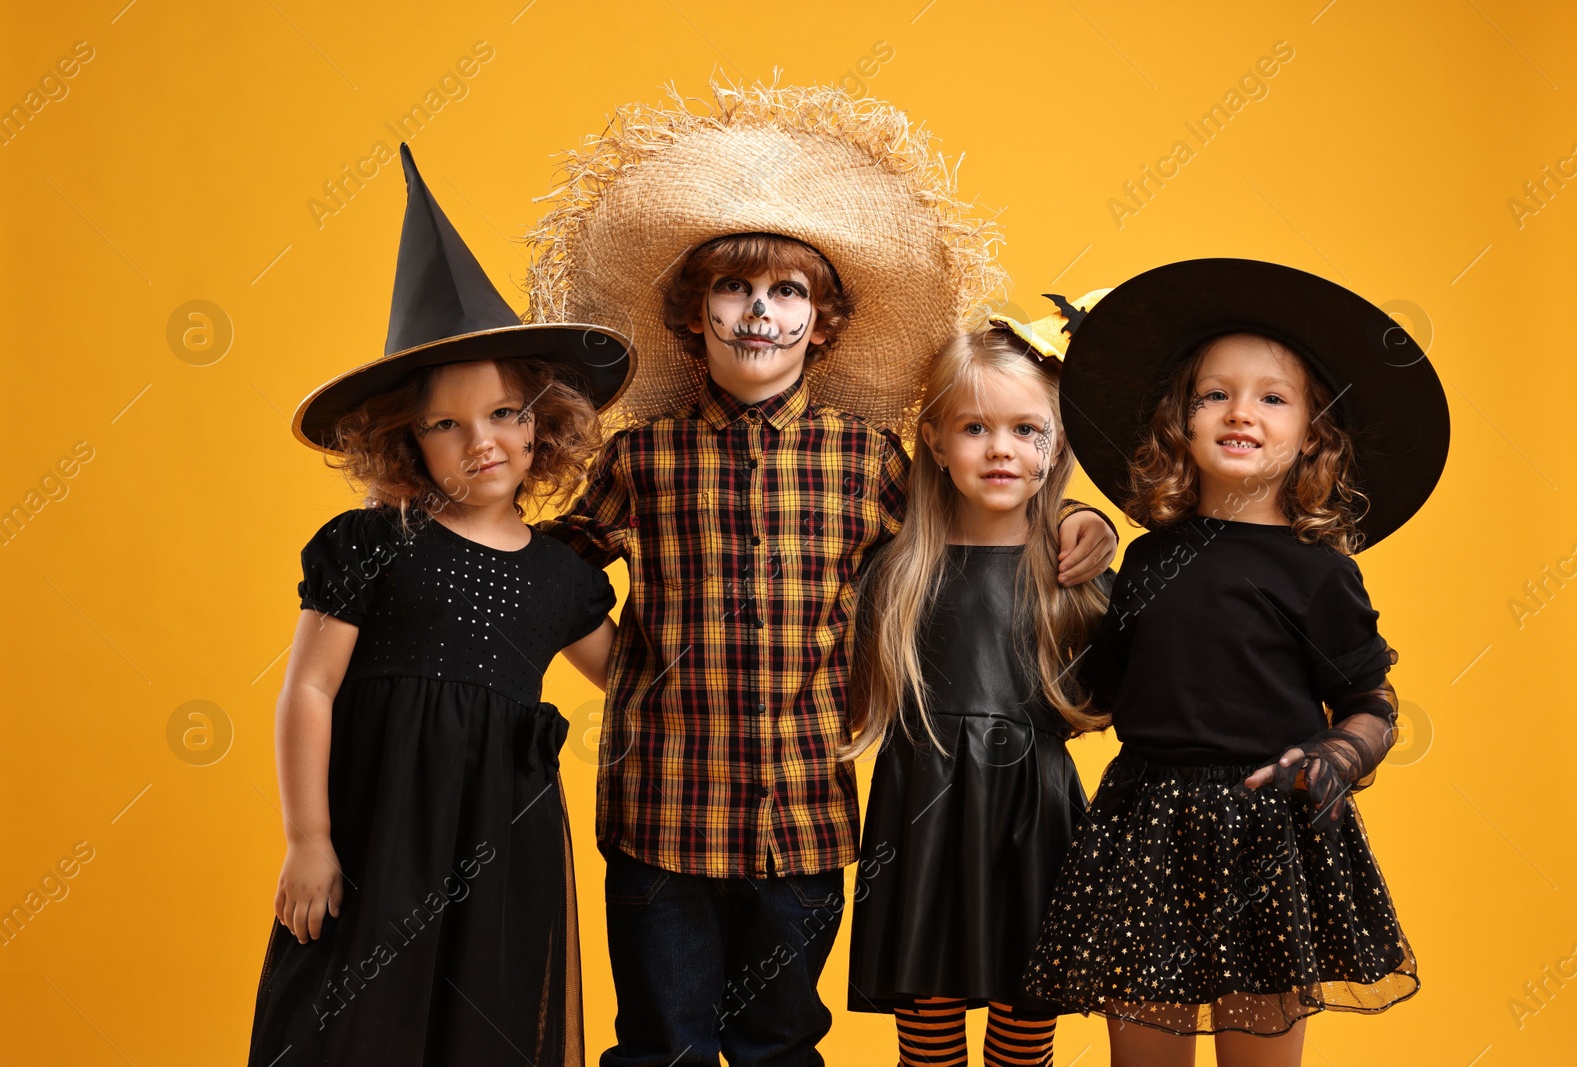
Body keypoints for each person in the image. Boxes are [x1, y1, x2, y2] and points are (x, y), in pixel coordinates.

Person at [525, 83, 1119, 1067]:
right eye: (732, 288)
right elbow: (553, 575)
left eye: (788, 291)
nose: (759, 311)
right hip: (660, 809)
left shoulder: (870, 460)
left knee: (780, 1039)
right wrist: (623, 666)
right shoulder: (644, 456)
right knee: (659, 1040)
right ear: (691, 313)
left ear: (824, 320)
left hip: (802, 812)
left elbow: (967, 527)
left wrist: (1084, 518)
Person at [247, 144, 633, 1067]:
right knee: (350, 1019)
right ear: (406, 443)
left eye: (504, 413)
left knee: (487, 1026)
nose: (482, 441)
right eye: (446, 424)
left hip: (503, 839)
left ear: (542, 419)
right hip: (376, 830)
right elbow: (307, 690)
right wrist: (308, 837)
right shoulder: (370, 545)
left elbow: (637, 680)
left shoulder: (564, 576)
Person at [1022, 258, 1449, 1066]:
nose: (1239, 411)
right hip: (1145, 827)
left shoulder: (1319, 571)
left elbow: (1371, 698)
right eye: (1214, 393)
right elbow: (1096, 693)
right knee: (1142, 1054)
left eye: (1272, 397)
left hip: (1267, 831)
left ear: (1315, 433)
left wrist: (1340, 751)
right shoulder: (1147, 560)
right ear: (1177, 420)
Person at [843, 324, 1111, 1067]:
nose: (1001, 449)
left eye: (1027, 429)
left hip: (1037, 818)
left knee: (1025, 1032)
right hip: (922, 815)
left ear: (1056, 445)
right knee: (927, 1038)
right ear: (933, 441)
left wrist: (1095, 519)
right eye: (974, 427)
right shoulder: (894, 572)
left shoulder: (1076, 576)